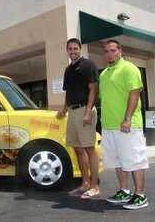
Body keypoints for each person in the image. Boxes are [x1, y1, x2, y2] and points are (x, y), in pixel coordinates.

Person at [99, 40, 149, 210]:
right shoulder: (104, 73)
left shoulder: (129, 68)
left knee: (135, 160)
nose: (109, 54)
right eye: (106, 51)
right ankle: (124, 191)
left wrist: (127, 118)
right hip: (109, 126)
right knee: (118, 161)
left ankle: (140, 195)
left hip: (127, 125)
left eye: (112, 50)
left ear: (120, 51)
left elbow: (134, 93)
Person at [57, 38, 100, 199]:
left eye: (75, 48)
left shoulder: (88, 65)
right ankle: (85, 183)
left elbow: (93, 88)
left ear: (80, 49)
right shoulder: (68, 70)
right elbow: (68, 93)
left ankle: (95, 186)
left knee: (89, 148)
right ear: (67, 50)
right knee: (77, 148)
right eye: (70, 49)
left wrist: (88, 111)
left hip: (84, 110)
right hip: (72, 113)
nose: (73, 51)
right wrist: (63, 110)